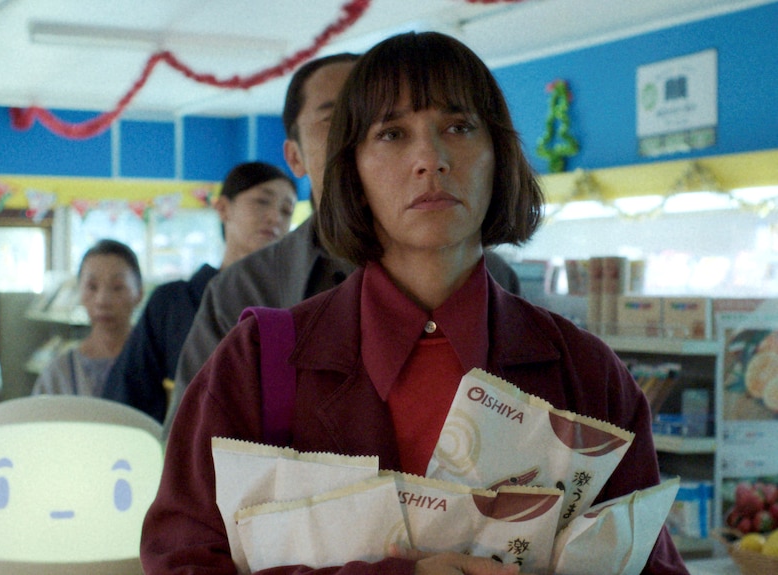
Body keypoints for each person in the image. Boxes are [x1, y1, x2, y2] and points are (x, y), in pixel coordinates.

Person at [141, 32, 689, 574]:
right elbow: (179, 560)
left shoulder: (586, 373)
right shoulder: (258, 360)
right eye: (392, 134)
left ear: (500, 154)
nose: (430, 158)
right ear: (350, 168)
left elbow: (647, 562)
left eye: (458, 127)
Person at [163, 51, 521, 433]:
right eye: (336, 120)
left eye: (382, 125)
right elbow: (194, 462)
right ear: (295, 157)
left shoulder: (495, 281)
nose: (355, 138)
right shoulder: (241, 292)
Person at [101, 162, 297, 422]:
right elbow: (129, 394)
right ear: (223, 208)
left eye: (286, 211)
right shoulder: (171, 302)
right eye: (262, 202)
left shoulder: (295, 306)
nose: (275, 217)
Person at [31, 239, 142, 397]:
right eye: (92, 287)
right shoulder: (59, 373)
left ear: (139, 293)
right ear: (80, 293)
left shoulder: (158, 365)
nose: (103, 300)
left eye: (117, 287)